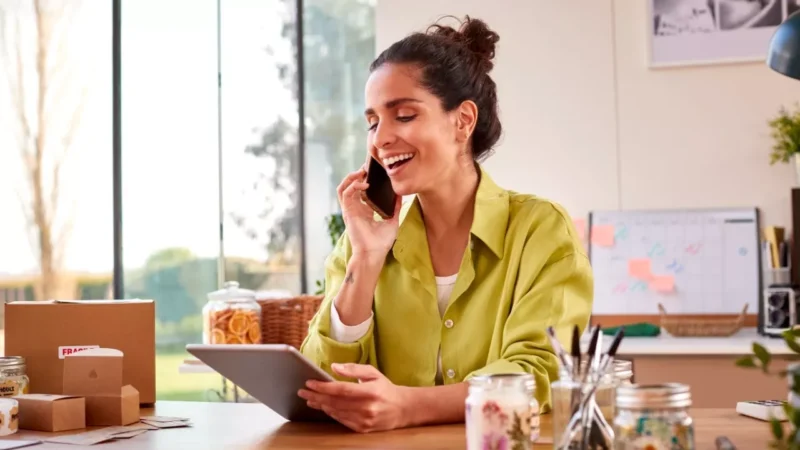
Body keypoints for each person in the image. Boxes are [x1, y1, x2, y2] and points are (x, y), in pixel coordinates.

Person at [297, 15, 592, 433]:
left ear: (463, 121)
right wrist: (364, 260)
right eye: (372, 122)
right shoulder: (365, 239)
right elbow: (321, 383)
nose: (380, 139)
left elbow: (539, 371)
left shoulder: (541, 231)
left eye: (403, 115)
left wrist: (409, 406)